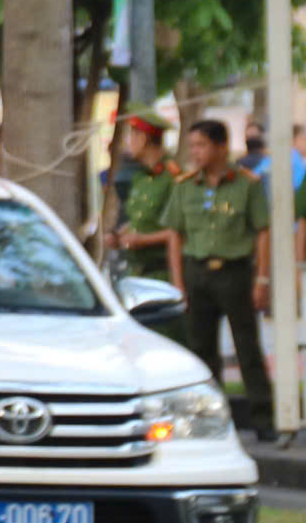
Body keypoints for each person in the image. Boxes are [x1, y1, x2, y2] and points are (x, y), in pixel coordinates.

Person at [164, 118, 272, 437]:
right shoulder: (184, 185)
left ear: (222, 147)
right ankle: (211, 421)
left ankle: (264, 420)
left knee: (247, 348)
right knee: (202, 350)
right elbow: (175, 235)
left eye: (202, 145)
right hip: (196, 273)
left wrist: (262, 280)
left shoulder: (246, 184)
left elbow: (262, 232)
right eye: (193, 146)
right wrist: (178, 282)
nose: (195, 152)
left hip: (235, 272)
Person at [108, 107, 185, 287]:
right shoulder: (140, 177)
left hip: (164, 274)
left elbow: (180, 231)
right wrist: (119, 235)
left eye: (132, 136)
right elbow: (141, 220)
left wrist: (141, 240)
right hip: (135, 271)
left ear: (143, 139)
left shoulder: (173, 178)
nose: (128, 142)